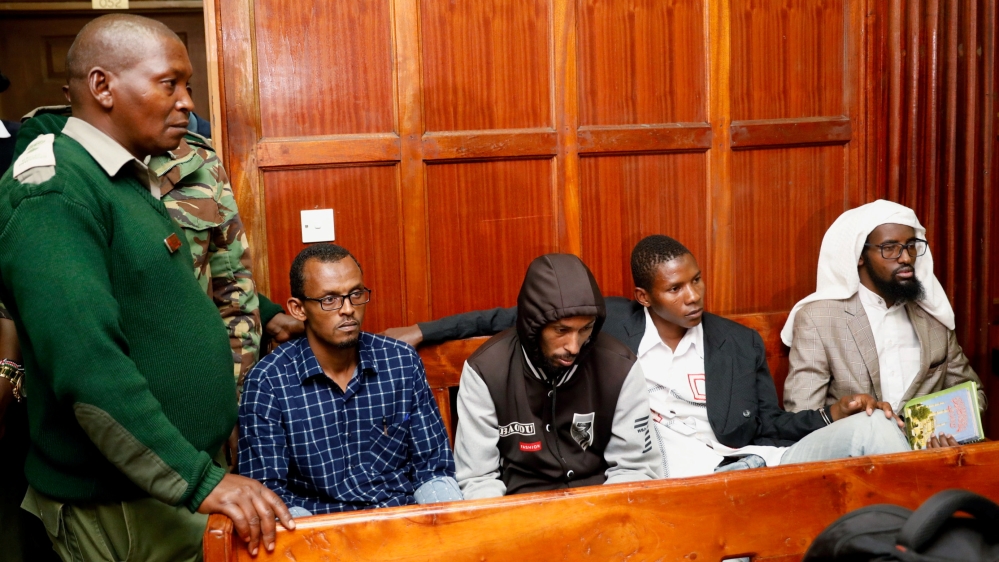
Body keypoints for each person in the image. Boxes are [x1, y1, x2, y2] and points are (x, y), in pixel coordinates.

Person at [0, 15, 292, 561]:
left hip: (169, 487)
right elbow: (86, 365)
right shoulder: (55, 189)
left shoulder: (123, 178)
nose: (187, 102)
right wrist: (197, 480)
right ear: (102, 86)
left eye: (188, 86)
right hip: (122, 507)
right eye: (169, 83)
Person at [390, 238, 912, 478]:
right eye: (676, 288)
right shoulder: (608, 325)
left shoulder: (737, 342)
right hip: (677, 473)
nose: (693, 296)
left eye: (697, 280)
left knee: (874, 428)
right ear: (644, 296)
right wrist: (423, 331)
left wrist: (830, 415)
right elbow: (509, 316)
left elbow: (766, 424)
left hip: (755, 462)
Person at [238, 243, 461, 514]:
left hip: (399, 521)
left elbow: (433, 469)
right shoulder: (269, 381)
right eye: (329, 299)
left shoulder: (400, 362)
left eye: (355, 294)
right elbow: (268, 493)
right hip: (318, 528)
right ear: (298, 309)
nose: (347, 309)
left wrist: (449, 523)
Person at [455, 253, 663, 499]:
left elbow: (635, 469)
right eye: (561, 330)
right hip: (520, 508)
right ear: (533, 325)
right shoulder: (486, 371)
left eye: (585, 329)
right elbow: (478, 479)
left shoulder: (620, 367)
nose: (574, 347)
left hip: (602, 504)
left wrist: (606, 515)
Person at [781, 200, 985, 448]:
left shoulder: (932, 317)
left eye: (911, 246)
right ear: (859, 255)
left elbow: (973, 394)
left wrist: (945, 432)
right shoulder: (819, 319)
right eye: (890, 248)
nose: (906, 257)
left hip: (930, 460)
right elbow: (801, 417)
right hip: (855, 462)